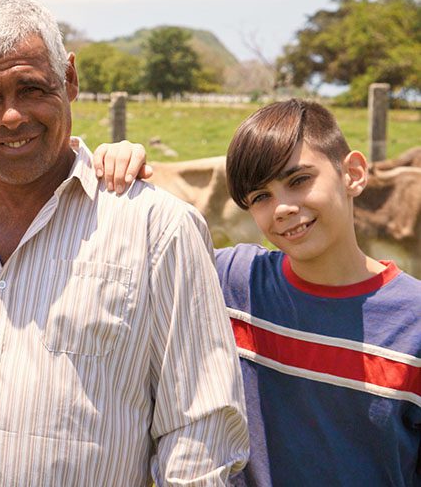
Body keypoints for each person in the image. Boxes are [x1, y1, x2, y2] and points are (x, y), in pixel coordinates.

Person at [0, 0, 248, 486]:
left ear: (71, 79)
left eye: (32, 88)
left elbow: (200, 430)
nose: (11, 117)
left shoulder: (156, 229)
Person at [93, 100, 421, 486]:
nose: (281, 208)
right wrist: (117, 163)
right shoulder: (232, 281)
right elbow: (131, 265)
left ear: (353, 174)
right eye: (260, 197)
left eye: (298, 180)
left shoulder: (412, 323)